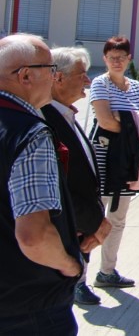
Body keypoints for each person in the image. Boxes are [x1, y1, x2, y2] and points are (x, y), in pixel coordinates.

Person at [0, 34, 83, 334]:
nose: (54, 77)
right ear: (25, 76)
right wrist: (70, 266)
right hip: (29, 307)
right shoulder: (29, 134)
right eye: (50, 69)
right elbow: (34, 237)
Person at [42, 47, 111, 307]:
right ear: (58, 78)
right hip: (60, 245)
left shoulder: (64, 115)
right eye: (81, 74)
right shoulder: (45, 120)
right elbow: (56, 189)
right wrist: (95, 223)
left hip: (77, 237)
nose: (88, 81)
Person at [88, 35, 139, 290]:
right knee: (93, 217)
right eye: (111, 57)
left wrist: (124, 118)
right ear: (104, 59)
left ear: (129, 59)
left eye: (121, 57)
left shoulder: (135, 86)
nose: (116, 62)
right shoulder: (100, 84)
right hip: (103, 156)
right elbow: (104, 121)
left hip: (128, 158)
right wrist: (135, 121)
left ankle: (107, 271)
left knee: (118, 218)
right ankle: (79, 280)